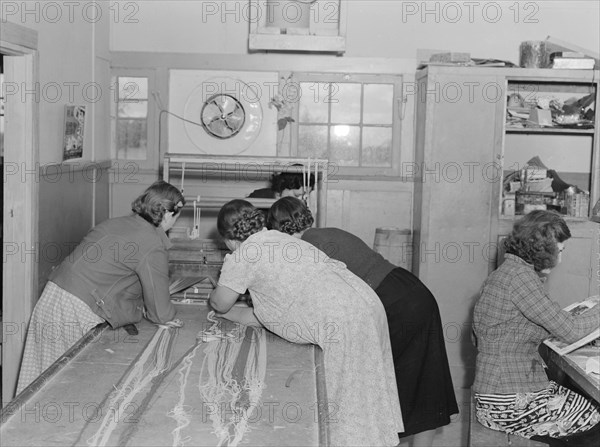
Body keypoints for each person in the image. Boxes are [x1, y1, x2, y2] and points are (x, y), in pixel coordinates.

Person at [209, 199, 403, 447]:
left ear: (229, 239)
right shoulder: (282, 239)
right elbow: (263, 314)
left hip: (340, 320)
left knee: (344, 407)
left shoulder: (245, 253)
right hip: (365, 305)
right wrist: (227, 314)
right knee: (366, 399)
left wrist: (217, 299)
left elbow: (220, 302)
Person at [267, 196, 459, 447]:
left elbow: (304, 296)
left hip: (394, 303)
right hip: (412, 291)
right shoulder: (326, 232)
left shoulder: (308, 245)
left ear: (279, 228)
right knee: (423, 381)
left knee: (384, 386)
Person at [17, 180, 185, 393]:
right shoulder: (152, 243)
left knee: (36, 385)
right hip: (75, 309)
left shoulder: (116, 223)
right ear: (169, 214)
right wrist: (169, 310)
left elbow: (115, 276)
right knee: (61, 388)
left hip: (52, 294)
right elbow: (161, 313)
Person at [472, 210, 600, 446]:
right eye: (559, 251)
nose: (560, 260)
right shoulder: (520, 278)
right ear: (543, 249)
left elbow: (516, 328)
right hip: (508, 399)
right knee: (594, 418)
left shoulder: (507, 272)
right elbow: (570, 330)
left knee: (586, 405)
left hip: (499, 392)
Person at [247, 167, 315, 201]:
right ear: (282, 186)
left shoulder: (297, 208)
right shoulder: (258, 198)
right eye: (296, 195)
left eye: (305, 197)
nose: (301, 201)